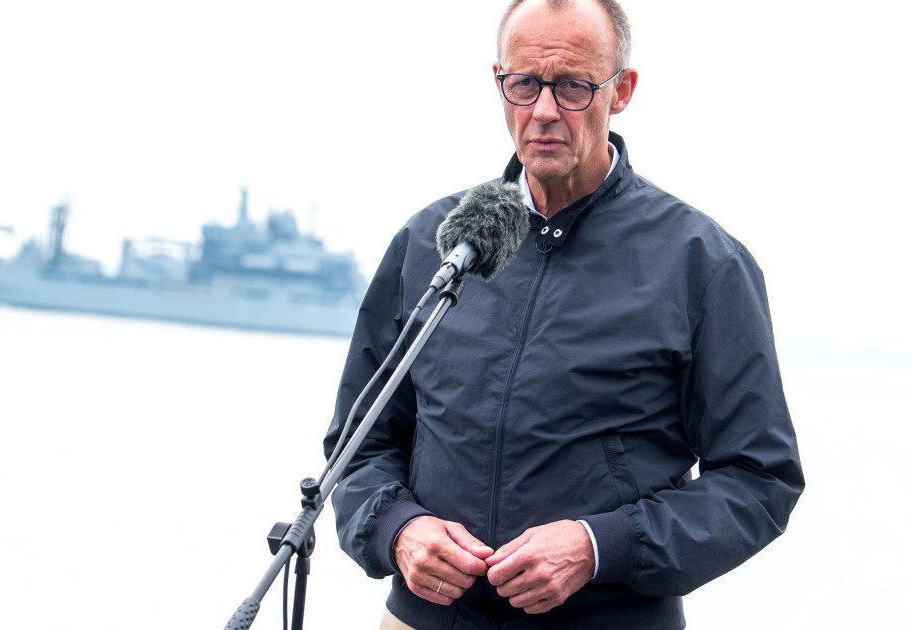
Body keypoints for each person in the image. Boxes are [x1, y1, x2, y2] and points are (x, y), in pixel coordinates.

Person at [322, 1, 804, 628]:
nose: (544, 110)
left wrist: (601, 546)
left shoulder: (702, 264)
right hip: (427, 619)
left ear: (621, 90)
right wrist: (398, 529)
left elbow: (758, 480)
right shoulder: (431, 243)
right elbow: (358, 446)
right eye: (524, 84)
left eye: (573, 86)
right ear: (498, 82)